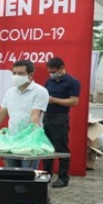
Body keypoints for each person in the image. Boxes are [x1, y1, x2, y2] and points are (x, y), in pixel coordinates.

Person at [0, 60, 49, 169]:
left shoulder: (40, 91)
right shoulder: (10, 92)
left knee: (26, 175)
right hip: (11, 141)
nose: (16, 76)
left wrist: (31, 139)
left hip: (28, 143)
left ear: (30, 75)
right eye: (14, 73)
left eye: (20, 73)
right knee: (12, 174)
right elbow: (1, 114)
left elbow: (35, 115)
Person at [41, 57, 80, 188]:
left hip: (60, 118)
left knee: (61, 148)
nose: (51, 74)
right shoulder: (49, 81)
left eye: (54, 71)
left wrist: (54, 100)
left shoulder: (72, 82)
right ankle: (46, 175)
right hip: (47, 117)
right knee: (46, 148)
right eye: (50, 72)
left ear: (61, 68)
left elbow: (74, 101)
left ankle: (63, 177)